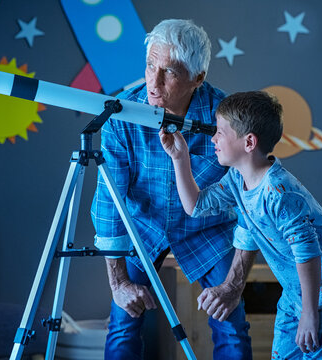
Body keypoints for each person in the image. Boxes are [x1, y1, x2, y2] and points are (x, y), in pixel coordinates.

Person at [91, 19, 252, 359]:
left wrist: (234, 284)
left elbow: (251, 203)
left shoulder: (229, 120)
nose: (154, 80)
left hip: (207, 228)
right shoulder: (121, 115)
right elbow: (109, 202)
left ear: (198, 78)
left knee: (232, 324)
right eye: (150, 65)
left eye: (170, 72)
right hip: (143, 226)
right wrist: (119, 284)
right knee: (122, 323)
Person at [160, 90, 322, 358]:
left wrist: (310, 314)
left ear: (249, 142)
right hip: (295, 290)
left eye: (221, 132)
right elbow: (195, 206)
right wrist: (179, 158)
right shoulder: (236, 179)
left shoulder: (279, 193)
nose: (213, 139)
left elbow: (307, 253)